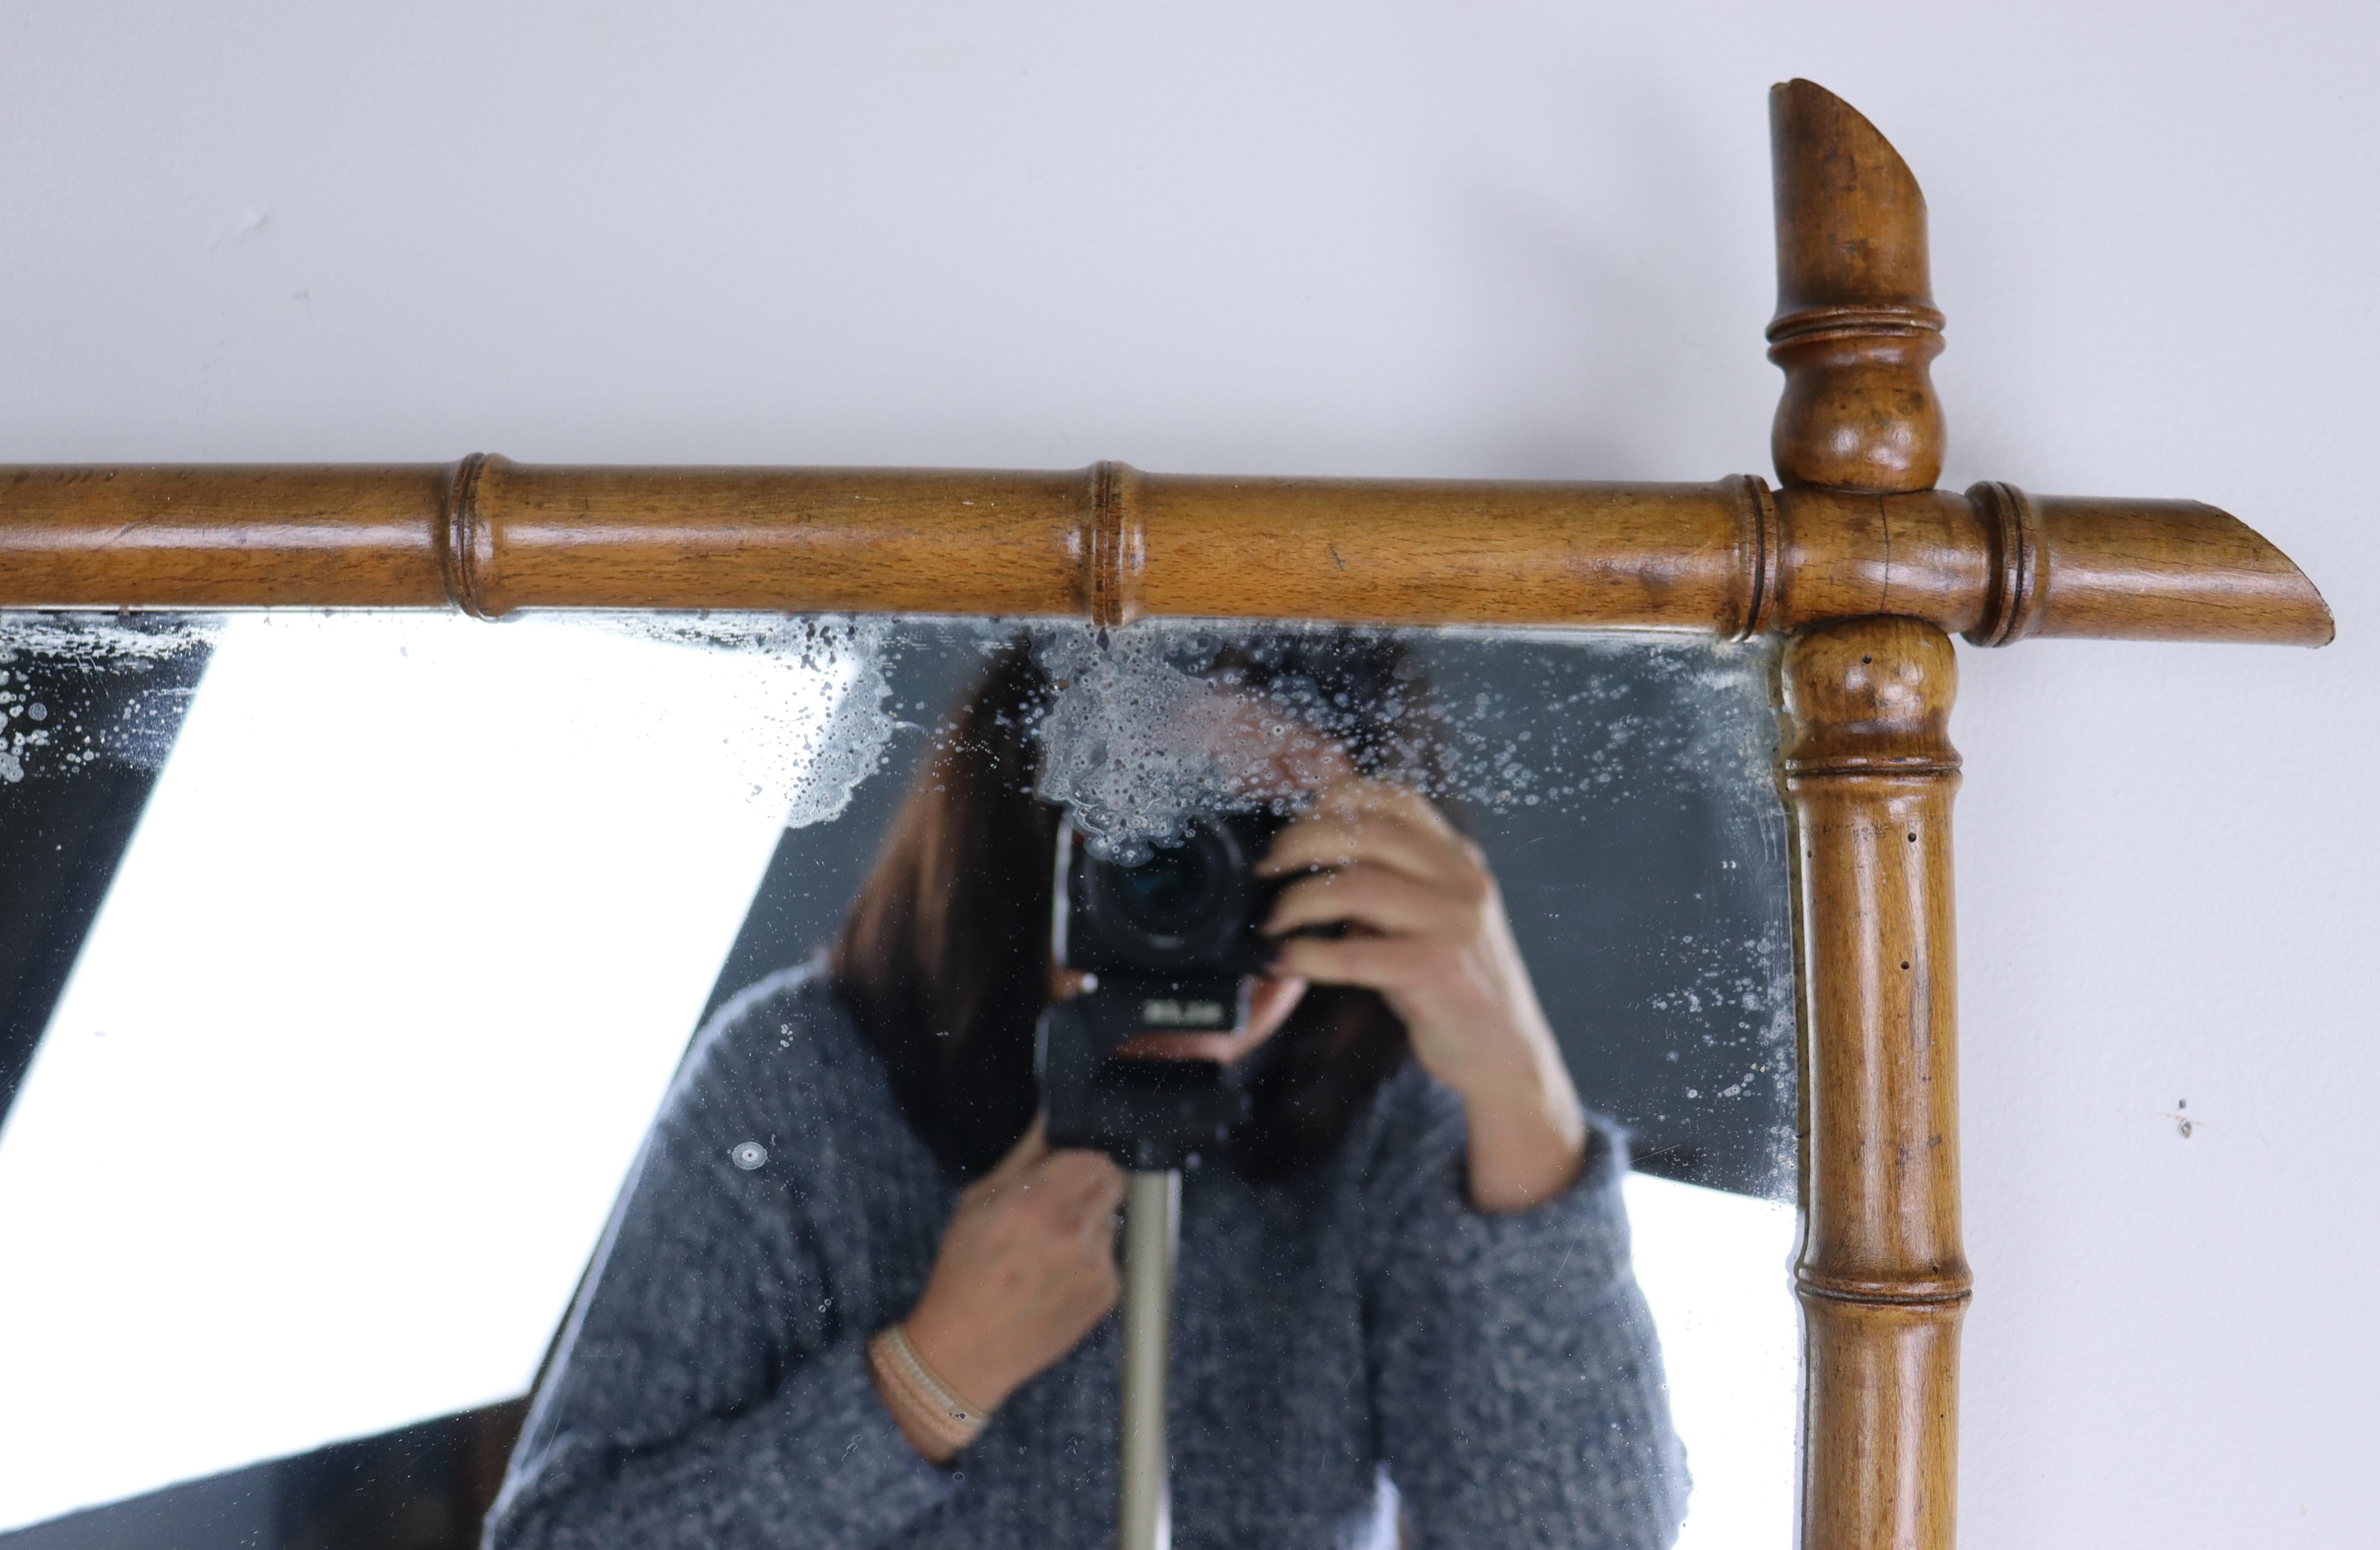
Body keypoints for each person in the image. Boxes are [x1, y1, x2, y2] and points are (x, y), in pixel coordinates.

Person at [485, 632, 1688, 1550]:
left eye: (1269, 845)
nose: (1203, 903)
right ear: (1031, 834)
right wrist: (923, 1381)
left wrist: (1518, 1095)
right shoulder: (804, 1079)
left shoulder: (1394, 1111)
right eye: (1151, 835)